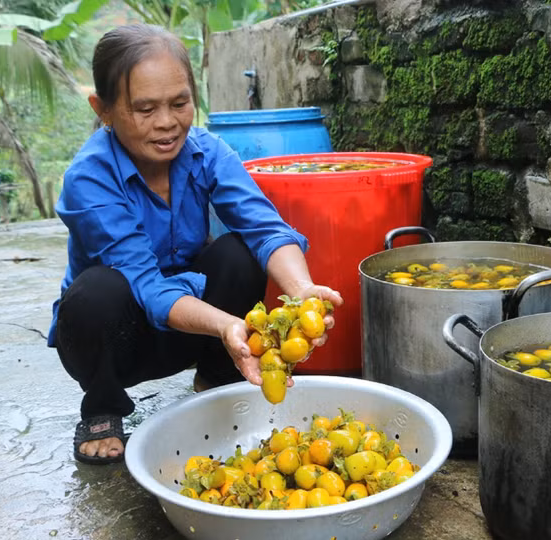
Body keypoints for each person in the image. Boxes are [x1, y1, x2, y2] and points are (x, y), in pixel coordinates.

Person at [47, 23, 343, 465]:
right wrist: (226, 325)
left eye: (180, 103)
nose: (167, 123)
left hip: (192, 327)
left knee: (240, 252)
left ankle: (216, 374)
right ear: (103, 109)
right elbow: (146, 287)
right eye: (145, 109)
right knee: (95, 294)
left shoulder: (207, 151)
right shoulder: (88, 178)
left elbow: (266, 228)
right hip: (120, 340)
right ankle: (103, 404)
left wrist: (300, 291)